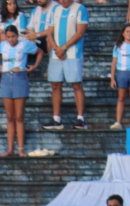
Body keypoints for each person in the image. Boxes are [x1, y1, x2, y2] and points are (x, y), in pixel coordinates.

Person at [0, 25, 40, 158]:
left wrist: (34, 66)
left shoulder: (24, 45)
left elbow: (39, 52)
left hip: (20, 77)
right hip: (6, 78)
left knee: (19, 116)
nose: (11, 39)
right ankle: (10, 149)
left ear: (17, 36)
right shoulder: (3, 45)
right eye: (8, 37)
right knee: (10, 117)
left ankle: (21, 149)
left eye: (13, 37)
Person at [44, 0, 88, 130]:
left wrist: (63, 48)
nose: (62, 1)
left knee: (76, 85)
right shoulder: (55, 9)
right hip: (56, 54)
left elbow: (80, 32)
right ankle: (56, 119)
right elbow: (49, 33)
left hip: (73, 54)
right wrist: (56, 49)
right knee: (55, 85)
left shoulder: (80, 9)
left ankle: (80, 118)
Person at [0, 0, 25, 79]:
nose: (13, 6)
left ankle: (5, 67)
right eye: (10, 4)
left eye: (14, 3)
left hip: (16, 41)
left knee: (3, 36)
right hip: (1, 41)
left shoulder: (21, 16)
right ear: (5, 6)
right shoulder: (0, 17)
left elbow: (22, 33)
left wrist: (3, 32)